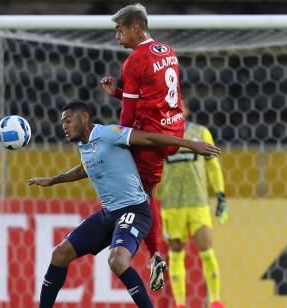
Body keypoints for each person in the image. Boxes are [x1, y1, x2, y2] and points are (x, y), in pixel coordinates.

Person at [29, 102, 219, 308]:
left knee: (117, 261)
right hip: (108, 214)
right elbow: (84, 168)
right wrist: (53, 180)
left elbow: (148, 137)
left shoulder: (109, 133)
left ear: (84, 117)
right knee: (60, 253)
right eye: (62, 123)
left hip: (135, 210)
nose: (64, 126)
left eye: (68, 120)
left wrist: (190, 144)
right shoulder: (84, 146)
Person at [100, 3, 185, 291]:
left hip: (152, 139)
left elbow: (128, 116)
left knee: (141, 200)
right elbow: (155, 96)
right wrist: (119, 94)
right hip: (173, 131)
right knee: (142, 193)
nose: (117, 36)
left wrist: (120, 142)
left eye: (120, 30)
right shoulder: (168, 51)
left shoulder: (134, 61)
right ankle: (152, 251)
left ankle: (155, 255)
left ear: (136, 27)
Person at [158, 102, 228, 308]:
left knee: (206, 246)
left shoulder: (201, 132)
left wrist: (221, 196)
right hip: (172, 204)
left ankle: (215, 300)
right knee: (176, 251)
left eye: (177, 107)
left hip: (198, 202)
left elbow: (213, 166)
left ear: (185, 110)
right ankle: (180, 304)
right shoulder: (160, 137)